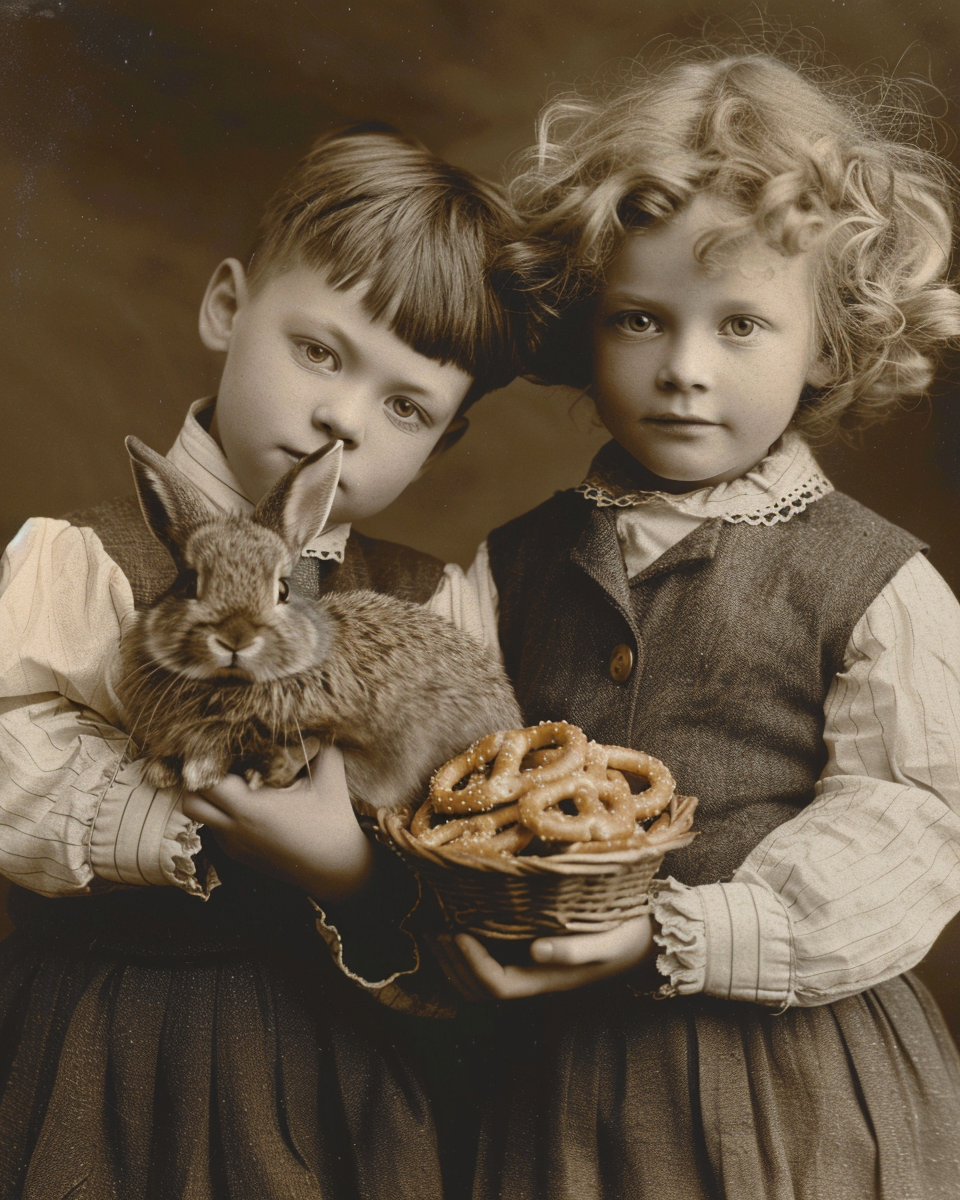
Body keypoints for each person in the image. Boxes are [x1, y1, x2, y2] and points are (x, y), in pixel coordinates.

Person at [452, 46, 960, 1199]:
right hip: (556, 1092)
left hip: (794, 1087)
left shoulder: (871, 580)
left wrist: (687, 937)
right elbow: (447, 775)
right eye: (641, 318)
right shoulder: (510, 566)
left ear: (828, 341)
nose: (682, 369)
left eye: (739, 327)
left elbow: (914, 818)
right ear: (586, 323)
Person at [0, 122, 522, 1199]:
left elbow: (482, 811)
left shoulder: (438, 601)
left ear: (447, 437)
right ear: (228, 307)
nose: (340, 417)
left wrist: (352, 865)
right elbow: (13, 751)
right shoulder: (82, 555)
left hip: (332, 1057)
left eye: (404, 405)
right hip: (109, 1033)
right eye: (319, 352)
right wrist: (185, 825)